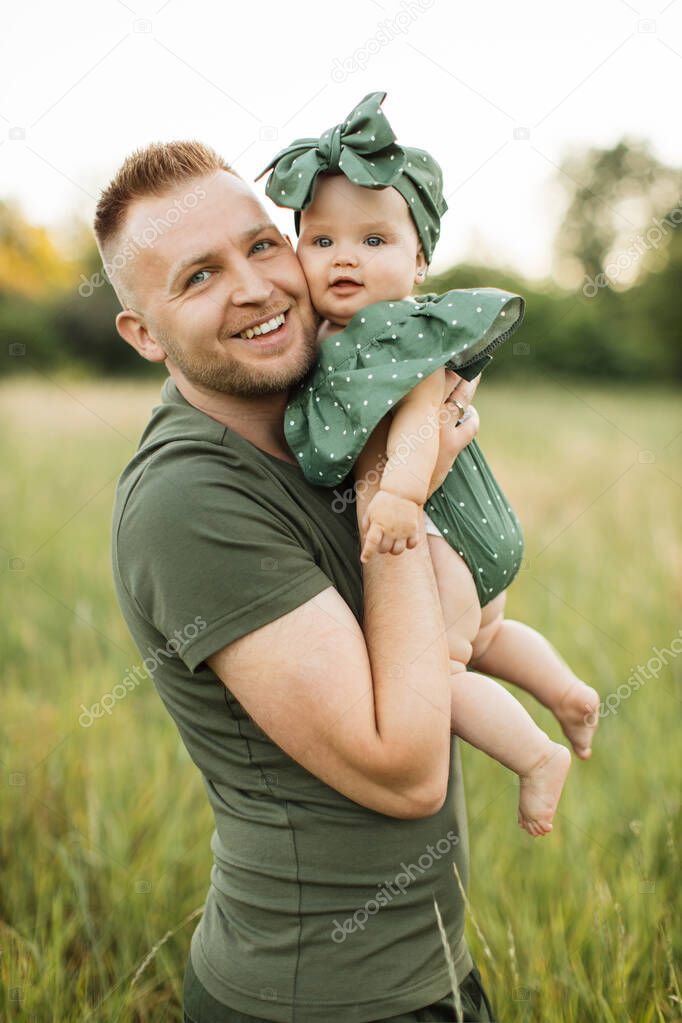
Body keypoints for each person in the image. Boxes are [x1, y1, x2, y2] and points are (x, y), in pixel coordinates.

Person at [96, 139, 497, 1021]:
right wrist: (383, 493)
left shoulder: (324, 419)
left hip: (427, 967)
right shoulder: (189, 501)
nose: (255, 287)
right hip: (316, 996)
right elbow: (405, 771)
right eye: (198, 277)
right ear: (143, 333)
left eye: (263, 245)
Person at [258, 91, 599, 837]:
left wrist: (403, 495)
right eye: (321, 243)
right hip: (475, 525)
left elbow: (418, 414)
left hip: (435, 522)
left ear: (419, 261)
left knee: (445, 667)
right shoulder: (347, 333)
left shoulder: (397, 332)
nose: (345, 256)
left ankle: (537, 756)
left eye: (374, 241)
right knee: (490, 637)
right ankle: (568, 692)